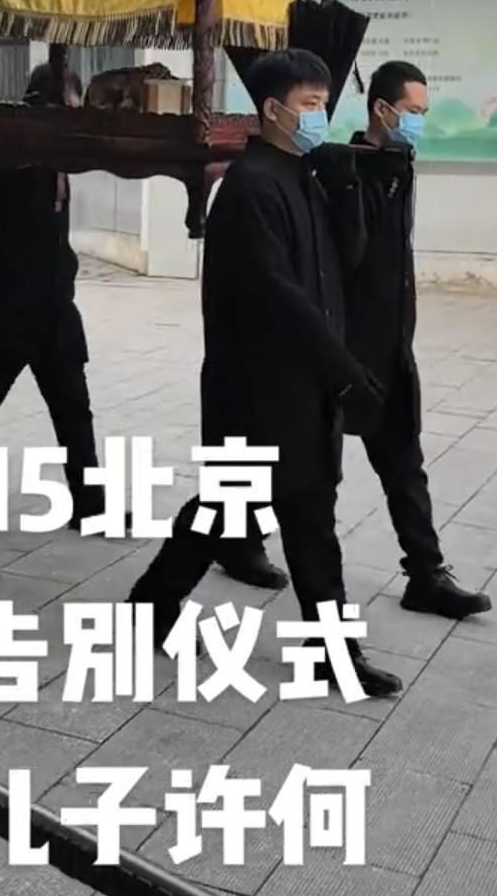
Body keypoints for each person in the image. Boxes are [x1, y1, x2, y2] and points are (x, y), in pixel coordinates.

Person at [129, 49, 402, 698]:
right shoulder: (251, 186)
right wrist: (343, 372)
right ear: (273, 110)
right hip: (259, 388)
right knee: (281, 512)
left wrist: (349, 189)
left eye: (324, 103)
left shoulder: (304, 175)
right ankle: (326, 649)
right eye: (308, 104)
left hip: (299, 384)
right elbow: (280, 296)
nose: (319, 116)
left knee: (266, 510)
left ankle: (156, 607)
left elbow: (344, 265)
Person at [346, 61, 491, 619]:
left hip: (391, 351)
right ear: (382, 110)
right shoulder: (349, 171)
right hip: (343, 353)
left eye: (424, 114)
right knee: (291, 467)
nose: (419, 124)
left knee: (405, 464)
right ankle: (233, 539)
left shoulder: (400, 165)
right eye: (412, 112)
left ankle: (426, 575)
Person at [0, 63, 107, 530]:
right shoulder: (7, 154)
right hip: (8, 307)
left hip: (54, 307)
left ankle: (90, 505)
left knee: (73, 411)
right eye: (70, 106)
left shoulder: (58, 156)